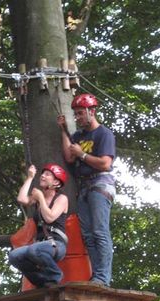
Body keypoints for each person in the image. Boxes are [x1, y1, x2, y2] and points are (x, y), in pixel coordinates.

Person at [57, 93, 116, 286]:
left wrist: (82, 155)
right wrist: (64, 130)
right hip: (83, 188)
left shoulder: (103, 134)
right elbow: (69, 157)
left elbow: (105, 164)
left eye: (81, 113)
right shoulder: (78, 136)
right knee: (88, 236)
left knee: (100, 232)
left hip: (100, 184)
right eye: (76, 114)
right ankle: (97, 276)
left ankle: (103, 277)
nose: (78, 117)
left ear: (92, 112)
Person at [8, 163, 69, 288]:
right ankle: (42, 282)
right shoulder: (37, 198)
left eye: (47, 175)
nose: (42, 176)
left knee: (33, 249)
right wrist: (30, 177)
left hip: (56, 245)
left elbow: (50, 217)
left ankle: (55, 276)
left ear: (56, 182)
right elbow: (21, 199)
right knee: (14, 256)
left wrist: (41, 198)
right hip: (40, 245)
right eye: (42, 173)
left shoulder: (61, 198)